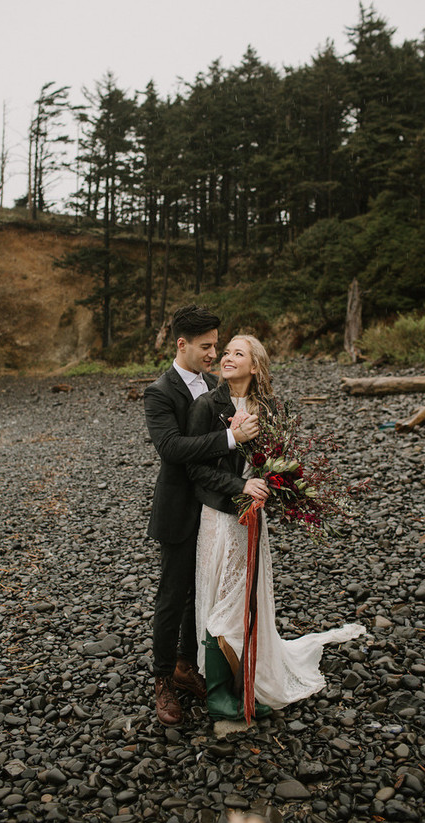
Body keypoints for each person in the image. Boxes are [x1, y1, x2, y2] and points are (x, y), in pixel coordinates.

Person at [187, 334, 366, 720]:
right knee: (224, 596)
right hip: (220, 516)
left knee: (249, 597)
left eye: (239, 353)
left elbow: (280, 459)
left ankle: (248, 682)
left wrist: (280, 486)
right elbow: (195, 468)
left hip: (254, 519)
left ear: (255, 367)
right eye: (227, 352)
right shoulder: (207, 404)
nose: (228, 358)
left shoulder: (269, 407)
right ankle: (218, 693)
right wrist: (240, 486)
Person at [144, 307, 259, 727]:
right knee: (172, 596)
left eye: (217, 345)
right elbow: (172, 449)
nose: (214, 353)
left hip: (215, 510)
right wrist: (230, 436)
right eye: (207, 346)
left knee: (202, 592)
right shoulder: (159, 391)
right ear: (182, 344)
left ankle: (186, 664)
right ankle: (162, 681)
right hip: (178, 508)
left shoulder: (215, 386)